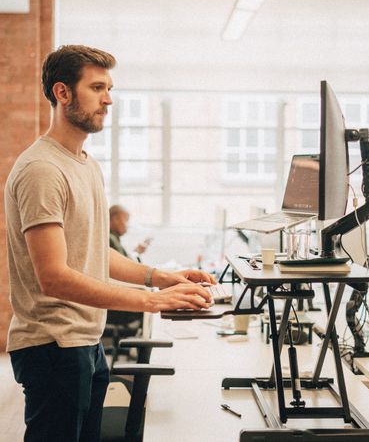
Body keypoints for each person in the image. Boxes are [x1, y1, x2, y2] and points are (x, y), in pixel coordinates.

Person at [4, 45, 215, 442]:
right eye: (97, 87)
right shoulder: (41, 170)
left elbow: (92, 252)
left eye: (109, 87)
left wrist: (161, 278)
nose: (109, 99)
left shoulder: (84, 163)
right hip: (53, 346)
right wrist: (151, 301)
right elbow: (54, 277)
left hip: (84, 340)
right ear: (62, 93)